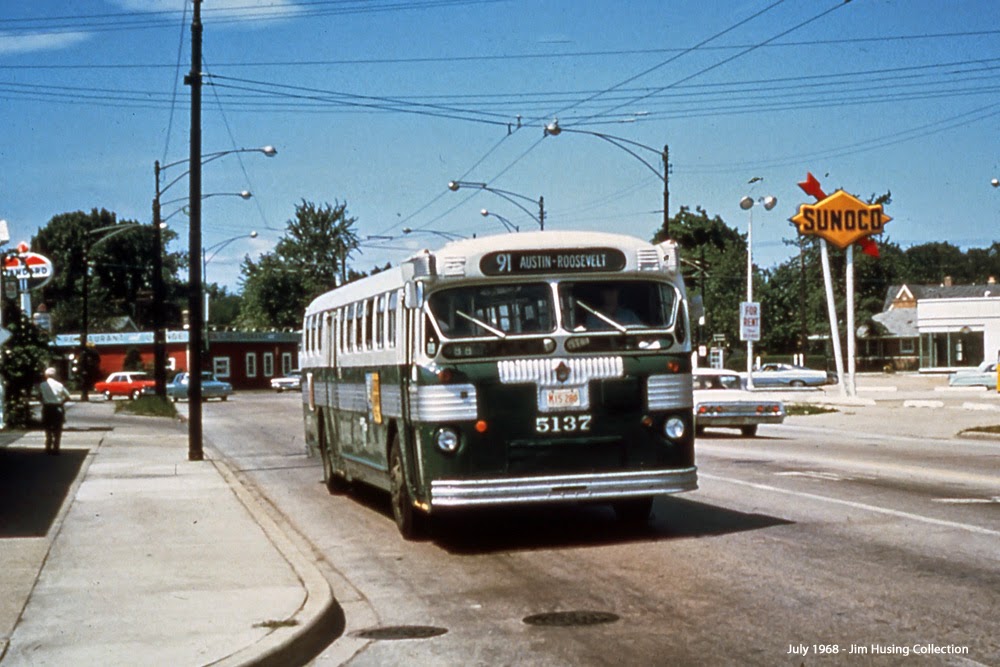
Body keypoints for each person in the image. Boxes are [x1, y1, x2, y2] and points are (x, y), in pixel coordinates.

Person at [39, 367, 71, 455]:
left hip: (47, 407)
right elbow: (68, 396)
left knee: (48, 428)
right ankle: (56, 448)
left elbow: (39, 396)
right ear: (55, 375)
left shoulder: (42, 385)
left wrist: (43, 401)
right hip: (57, 407)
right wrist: (61, 402)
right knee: (57, 429)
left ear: (46, 375)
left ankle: (48, 446)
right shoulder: (59, 385)